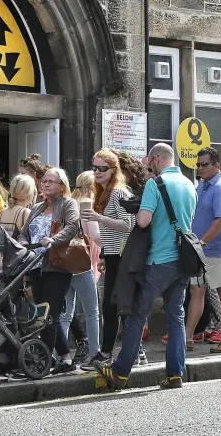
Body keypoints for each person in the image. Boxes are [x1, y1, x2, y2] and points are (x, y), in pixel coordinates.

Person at [96, 144, 196, 391]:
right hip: (182, 260)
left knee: (137, 315)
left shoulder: (156, 184)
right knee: (176, 318)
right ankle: (175, 374)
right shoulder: (188, 184)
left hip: (159, 259)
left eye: (149, 161)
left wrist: (141, 206)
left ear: (156, 158)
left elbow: (143, 221)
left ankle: (120, 372)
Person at [81, 149, 133, 365]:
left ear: (114, 171)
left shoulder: (118, 192)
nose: (97, 172)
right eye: (95, 168)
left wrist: (97, 217)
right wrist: (103, 254)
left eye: (103, 168)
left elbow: (127, 225)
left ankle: (110, 354)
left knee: (116, 306)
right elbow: (112, 232)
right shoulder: (103, 193)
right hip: (113, 255)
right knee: (111, 306)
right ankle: (113, 353)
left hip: (123, 256)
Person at [185, 147, 221, 352]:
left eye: (204, 164)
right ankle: (188, 337)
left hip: (217, 248)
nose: (200, 168)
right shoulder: (203, 185)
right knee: (196, 291)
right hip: (202, 249)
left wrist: (202, 242)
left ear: (217, 166)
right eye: (198, 165)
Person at [28, 167, 81, 374]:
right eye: (44, 181)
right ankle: (66, 359)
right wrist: (23, 243)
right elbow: (23, 232)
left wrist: (53, 239)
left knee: (47, 313)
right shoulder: (37, 208)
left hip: (57, 266)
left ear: (62, 187)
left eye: (51, 181)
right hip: (35, 266)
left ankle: (44, 360)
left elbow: (72, 226)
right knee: (44, 313)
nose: (46, 184)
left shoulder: (68, 204)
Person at [62, 171, 101, 368]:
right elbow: (94, 235)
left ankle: (61, 355)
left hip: (63, 263)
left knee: (65, 314)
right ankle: (95, 353)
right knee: (92, 312)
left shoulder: (67, 204)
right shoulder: (87, 206)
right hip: (83, 264)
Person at [0, 174, 37, 243]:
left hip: (3, 253)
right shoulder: (25, 212)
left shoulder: (2, 212)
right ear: (29, 193)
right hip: (18, 253)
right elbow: (32, 239)